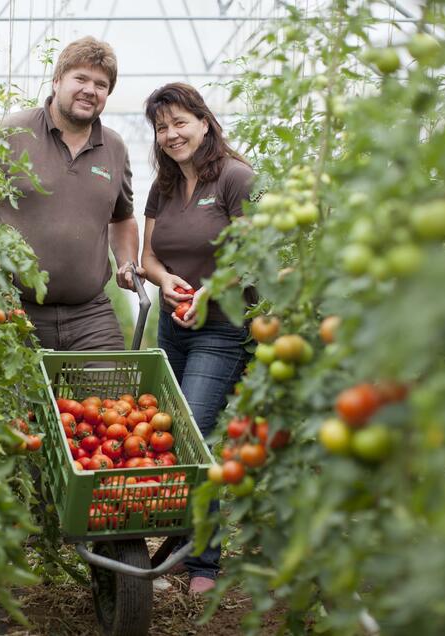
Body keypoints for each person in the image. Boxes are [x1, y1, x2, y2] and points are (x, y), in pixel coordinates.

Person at [140, 83, 254, 594]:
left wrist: (211, 291)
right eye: (162, 127)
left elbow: (254, 256)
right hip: (174, 323)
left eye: (180, 122)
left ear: (204, 122)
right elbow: (149, 258)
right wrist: (165, 282)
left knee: (192, 435)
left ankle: (203, 563)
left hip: (222, 327)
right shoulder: (162, 187)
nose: (171, 135)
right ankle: (170, 550)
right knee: (167, 434)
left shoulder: (236, 178)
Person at [0, 36, 142, 351]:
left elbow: (122, 218)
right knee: (24, 400)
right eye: (81, 78)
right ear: (57, 81)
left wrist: (127, 262)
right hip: (15, 307)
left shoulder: (114, 148)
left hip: (90, 313)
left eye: (101, 84)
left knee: (111, 398)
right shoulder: (11, 133)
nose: (90, 89)